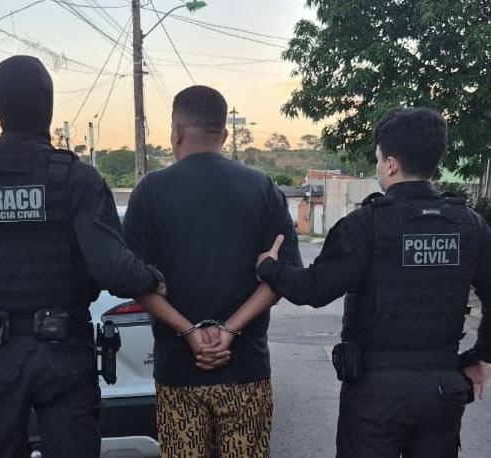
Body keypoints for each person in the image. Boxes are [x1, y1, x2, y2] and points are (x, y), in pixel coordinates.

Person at [0, 55, 165, 458]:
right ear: (48, 102)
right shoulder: (77, 179)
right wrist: (154, 279)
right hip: (64, 355)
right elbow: (113, 269)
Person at [256, 107, 491, 458]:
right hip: (442, 389)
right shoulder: (470, 224)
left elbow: (314, 290)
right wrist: (480, 356)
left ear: (391, 164)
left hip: (375, 394)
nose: (379, 167)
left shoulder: (365, 224)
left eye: (379, 159)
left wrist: (270, 267)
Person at [123, 85, 302, 457]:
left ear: (176, 131)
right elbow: (281, 276)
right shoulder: (262, 188)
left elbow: (135, 280)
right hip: (245, 368)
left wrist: (189, 331)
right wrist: (230, 329)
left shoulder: (149, 191)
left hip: (178, 372)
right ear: (224, 134)